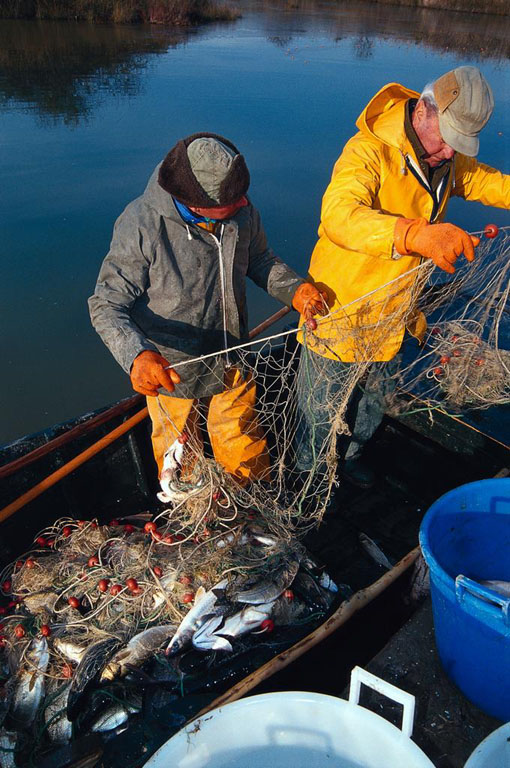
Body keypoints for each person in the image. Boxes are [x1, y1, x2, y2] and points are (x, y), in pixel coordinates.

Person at [295, 66, 510, 490]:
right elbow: (340, 216)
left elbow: (486, 181)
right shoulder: (368, 152)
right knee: (320, 411)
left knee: (373, 402)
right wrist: (415, 234)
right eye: (448, 140)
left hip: (396, 315)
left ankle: (352, 457)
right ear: (424, 112)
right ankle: (310, 479)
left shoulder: (445, 158)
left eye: (458, 145)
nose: (451, 154)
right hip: (340, 311)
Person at [89, 133, 325, 485]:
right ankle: (194, 515)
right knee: (181, 466)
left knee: (243, 446)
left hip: (231, 355)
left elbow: (259, 260)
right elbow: (106, 304)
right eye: (232, 200)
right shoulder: (141, 225)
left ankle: (249, 509)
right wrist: (137, 356)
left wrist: (295, 290)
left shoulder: (241, 213)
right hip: (171, 370)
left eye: (242, 195)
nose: (245, 203)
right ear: (196, 203)